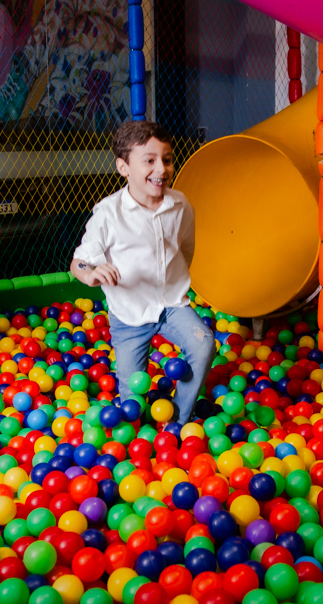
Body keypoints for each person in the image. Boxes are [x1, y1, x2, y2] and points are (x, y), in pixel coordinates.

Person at [70, 120, 216, 424]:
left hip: (172, 305)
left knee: (203, 345)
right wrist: (90, 273)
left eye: (167, 159)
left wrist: (176, 282)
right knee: (132, 400)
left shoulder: (180, 205)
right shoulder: (109, 213)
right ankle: (139, 426)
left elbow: (185, 248)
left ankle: (178, 420)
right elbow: (79, 261)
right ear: (123, 167)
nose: (161, 168)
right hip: (129, 315)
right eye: (149, 161)